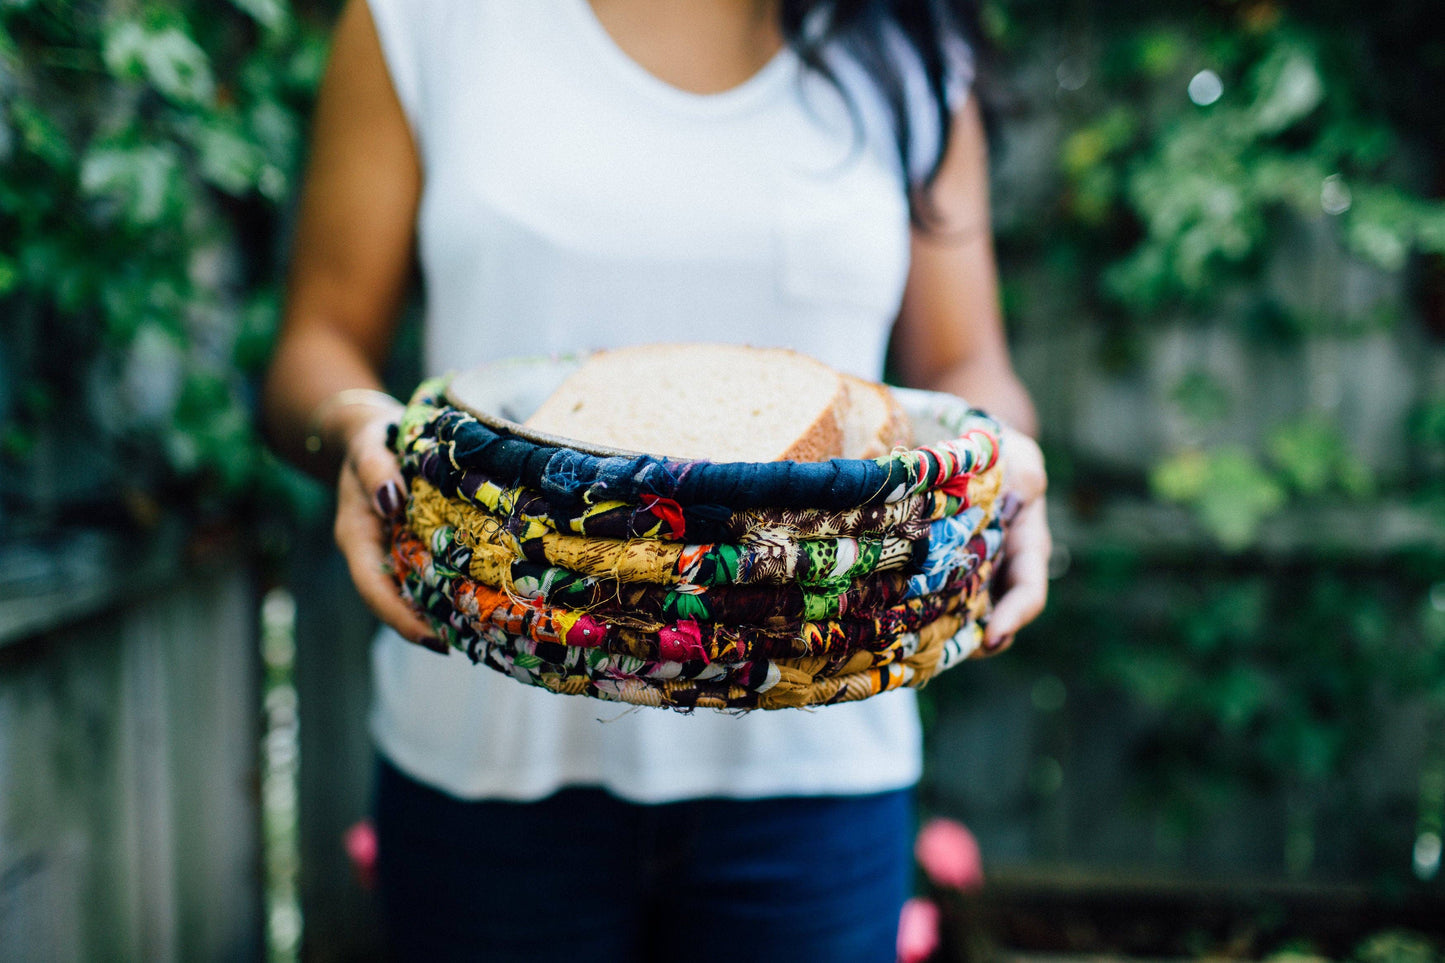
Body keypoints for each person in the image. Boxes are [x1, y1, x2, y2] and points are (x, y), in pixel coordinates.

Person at [262, 0, 1051, 959]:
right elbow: (318, 344)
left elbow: (967, 364)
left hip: (814, 768)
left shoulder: (903, 41)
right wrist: (353, 424)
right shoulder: (423, 19)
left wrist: (1001, 456)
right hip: (488, 759)